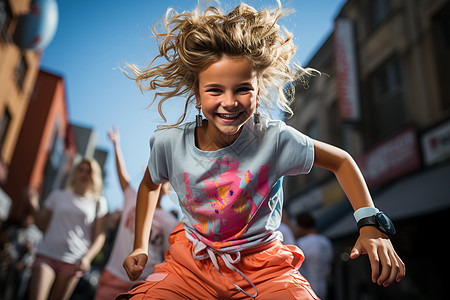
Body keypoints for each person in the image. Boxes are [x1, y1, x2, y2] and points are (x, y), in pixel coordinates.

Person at [119, 1, 405, 299]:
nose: (229, 102)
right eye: (215, 90)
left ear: (259, 89)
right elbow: (151, 185)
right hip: (191, 264)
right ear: (197, 92)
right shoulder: (170, 144)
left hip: (263, 266)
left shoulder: (275, 139)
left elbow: (342, 161)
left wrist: (370, 223)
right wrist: (139, 244)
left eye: (243, 89)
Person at [94, 127, 178, 300]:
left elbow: (168, 258)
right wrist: (116, 144)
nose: (161, 182)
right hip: (113, 275)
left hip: (143, 286)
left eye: (166, 180)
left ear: (170, 189)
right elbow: (122, 173)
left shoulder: (170, 221)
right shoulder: (132, 198)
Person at [27, 158, 108, 300]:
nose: (84, 174)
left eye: (88, 171)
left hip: (74, 261)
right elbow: (42, 225)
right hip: (47, 254)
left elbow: (100, 236)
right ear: (75, 173)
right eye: (80, 170)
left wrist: (88, 258)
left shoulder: (98, 203)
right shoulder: (58, 195)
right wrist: (33, 205)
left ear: (94, 176)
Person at [296, 212, 333, 300]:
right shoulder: (326, 241)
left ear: (300, 226)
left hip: (306, 287)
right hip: (323, 287)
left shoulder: (301, 243)